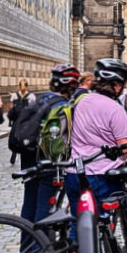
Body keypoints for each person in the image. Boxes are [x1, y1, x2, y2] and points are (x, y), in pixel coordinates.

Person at [65, 58, 127, 212]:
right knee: (101, 223)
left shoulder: (82, 102)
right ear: (116, 85)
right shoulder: (114, 109)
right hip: (101, 175)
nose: (124, 88)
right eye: (124, 85)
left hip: (75, 172)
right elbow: (125, 147)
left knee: (79, 225)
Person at [16, 64, 80, 226]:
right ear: (71, 85)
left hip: (29, 155)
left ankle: (27, 244)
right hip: (48, 161)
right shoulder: (62, 106)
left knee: (29, 200)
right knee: (45, 203)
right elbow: (57, 139)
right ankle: (41, 247)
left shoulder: (42, 99)